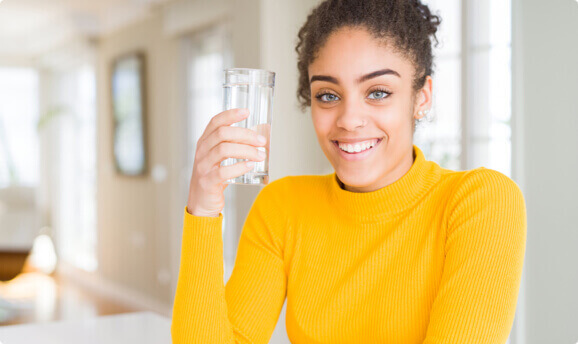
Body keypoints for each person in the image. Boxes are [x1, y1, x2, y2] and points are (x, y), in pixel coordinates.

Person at [171, 0, 527, 343]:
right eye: (328, 95)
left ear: (422, 97)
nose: (349, 120)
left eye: (378, 92)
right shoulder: (282, 207)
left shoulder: (481, 202)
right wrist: (202, 210)